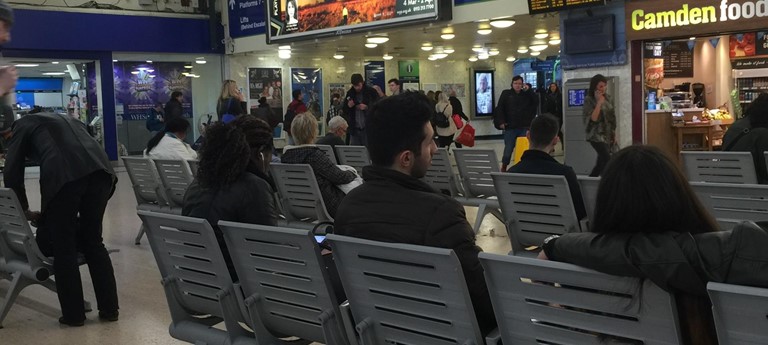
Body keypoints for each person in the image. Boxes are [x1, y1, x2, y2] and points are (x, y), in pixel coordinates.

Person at [334, 91, 497, 335]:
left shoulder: (348, 208)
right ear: (407, 158)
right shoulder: (441, 213)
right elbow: (486, 302)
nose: (434, 149)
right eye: (430, 141)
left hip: (379, 334)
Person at [539, 145, 720, 345]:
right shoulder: (713, 268)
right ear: (680, 196)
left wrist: (554, 245)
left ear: (607, 203)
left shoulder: (586, 263)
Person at [3, 112, 119, 327]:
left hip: (64, 174)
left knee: (63, 244)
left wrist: (25, 210)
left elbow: (12, 172)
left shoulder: (21, 126)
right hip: (103, 172)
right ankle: (110, 309)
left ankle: (74, 315)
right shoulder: (66, 118)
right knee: (94, 241)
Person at [183, 116, 278, 279]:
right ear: (261, 153)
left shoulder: (197, 184)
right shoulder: (255, 187)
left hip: (197, 284)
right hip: (242, 288)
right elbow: (267, 250)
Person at [507, 114, 586, 221]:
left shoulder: (511, 173)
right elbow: (580, 213)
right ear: (555, 140)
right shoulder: (564, 173)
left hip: (524, 234)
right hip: (560, 235)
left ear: (528, 136)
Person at [281, 113, 357, 217]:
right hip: (327, 206)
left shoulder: (286, 158)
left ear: (293, 132)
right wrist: (352, 173)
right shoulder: (314, 155)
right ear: (314, 132)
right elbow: (340, 177)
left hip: (297, 206)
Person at [494, 76, 538, 171]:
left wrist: (529, 90)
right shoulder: (506, 94)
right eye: (515, 83)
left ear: (522, 85)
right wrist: (501, 121)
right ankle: (504, 166)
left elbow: (536, 101)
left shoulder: (526, 94)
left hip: (524, 126)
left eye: (519, 84)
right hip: (510, 127)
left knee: (523, 149)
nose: (517, 85)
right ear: (512, 84)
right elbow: (500, 108)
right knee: (508, 149)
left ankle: (522, 167)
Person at [723, 92, 768, 183]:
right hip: (754, 190)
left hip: (728, 185)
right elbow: (765, 169)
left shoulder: (734, 126)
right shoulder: (762, 134)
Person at [583, 74, 616, 177]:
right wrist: (598, 103)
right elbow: (593, 119)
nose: (603, 89)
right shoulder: (589, 99)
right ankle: (609, 181)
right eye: (600, 86)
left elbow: (612, 117)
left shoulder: (609, 98)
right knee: (607, 159)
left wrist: (614, 134)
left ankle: (592, 180)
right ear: (595, 87)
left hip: (607, 133)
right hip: (595, 135)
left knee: (600, 163)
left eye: (604, 86)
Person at [342, 73, 379, 146]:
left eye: (358, 85)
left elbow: (378, 107)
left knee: (369, 150)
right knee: (355, 152)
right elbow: (344, 110)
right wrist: (348, 106)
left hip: (368, 128)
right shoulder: (350, 93)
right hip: (354, 129)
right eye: (355, 86)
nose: (357, 88)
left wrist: (367, 107)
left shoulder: (371, 92)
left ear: (362, 82)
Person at [543, 82, 563, 148]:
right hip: (551, 115)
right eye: (551, 86)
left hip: (558, 115)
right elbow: (545, 107)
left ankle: (563, 145)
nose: (553, 88)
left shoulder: (560, 96)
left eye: (554, 86)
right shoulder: (547, 96)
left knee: (559, 131)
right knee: (552, 132)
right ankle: (551, 147)